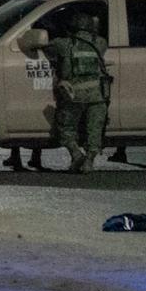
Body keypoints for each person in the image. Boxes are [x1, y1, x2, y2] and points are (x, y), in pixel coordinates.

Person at [41, 11, 110, 174]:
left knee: (65, 127)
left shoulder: (62, 44)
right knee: (95, 130)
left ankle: (76, 153)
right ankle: (89, 162)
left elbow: (46, 49)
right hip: (97, 95)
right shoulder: (100, 42)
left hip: (73, 95)